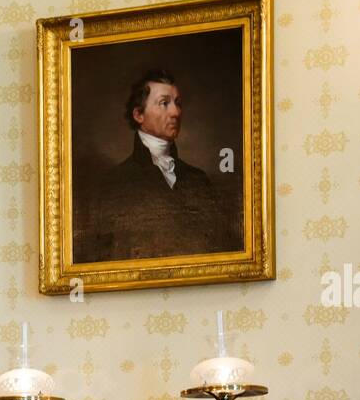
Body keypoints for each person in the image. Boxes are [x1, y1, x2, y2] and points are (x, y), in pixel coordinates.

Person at [75, 68, 243, 263]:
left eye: (177, 103)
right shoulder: (113, 184)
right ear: (139, 114)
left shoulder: (198, 179)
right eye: (164, 103)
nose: (175, 112)